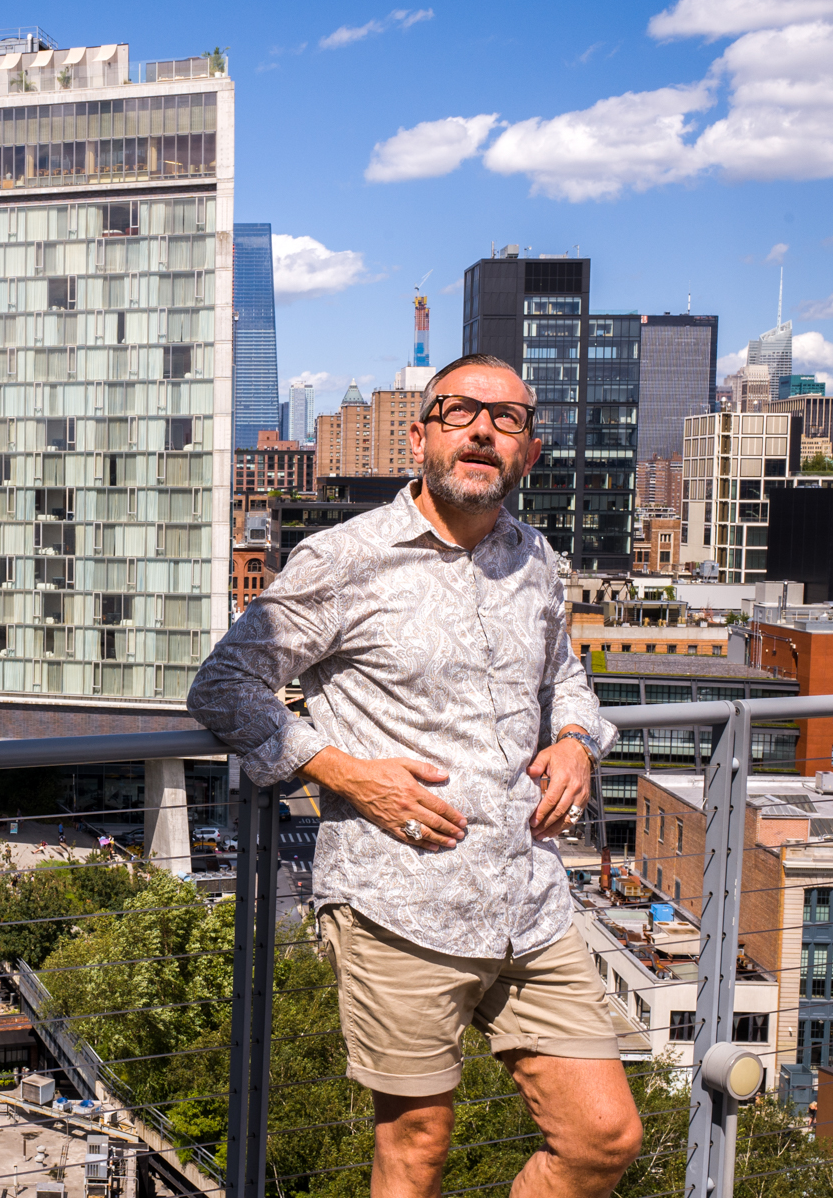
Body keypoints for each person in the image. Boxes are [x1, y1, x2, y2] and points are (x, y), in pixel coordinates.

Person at [187, 354, 640, 1198]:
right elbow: (223, 686)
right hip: (402, 901)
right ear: (419, 434)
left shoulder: (536, 558)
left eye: (506, 420)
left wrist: (578, 737)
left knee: (603, 1136)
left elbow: (564, 674)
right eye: (460, 411)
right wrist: (346, 774)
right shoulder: (343, 559)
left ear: (529, 453)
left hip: (530, 901)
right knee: (417, 1148)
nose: (481, 431)